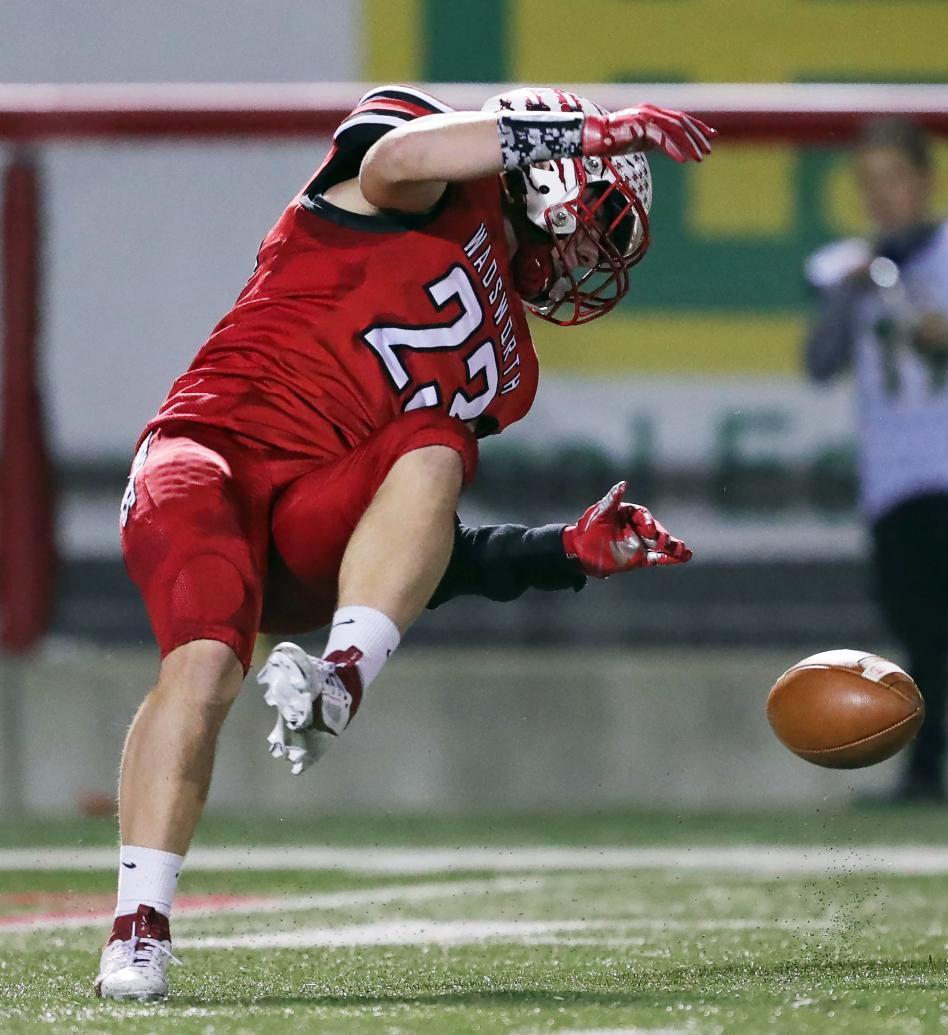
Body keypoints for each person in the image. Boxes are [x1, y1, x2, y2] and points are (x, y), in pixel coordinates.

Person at [96, 84, 715, 999]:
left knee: (437, 442)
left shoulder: (511, 371)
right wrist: (586, 126)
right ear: (548, 173)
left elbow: (410, 550)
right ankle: (137, 930)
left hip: (316, 522)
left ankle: (339, 680)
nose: (591, 254)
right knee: (207, 664)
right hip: (207, 456)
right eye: (597, 219)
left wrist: (560, 550)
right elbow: (395, 160)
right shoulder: (426, 168)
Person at [804, 116, 948, 805]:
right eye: (868, 183)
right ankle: (922, 775)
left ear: (925, 182)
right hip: (894, 479)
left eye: (893, 180)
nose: (881, 196)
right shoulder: (846, 267)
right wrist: (851, 291)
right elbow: (819, 362)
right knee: (916, 633)